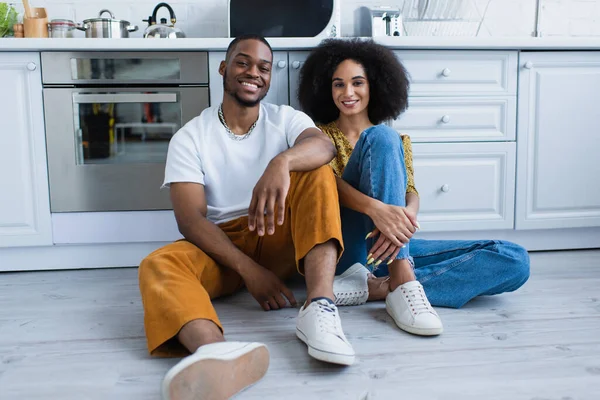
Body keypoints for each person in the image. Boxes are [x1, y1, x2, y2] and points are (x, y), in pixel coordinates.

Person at [138, 34, 355, 400]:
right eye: (242, 62)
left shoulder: (285, 118)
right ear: (223, 68)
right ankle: (215, 352)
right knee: (157, 265)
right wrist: (249, 271)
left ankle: (319, 306)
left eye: (263, 67)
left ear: (269, 77)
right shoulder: (190, 137)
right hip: (220, 245)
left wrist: (281, 161)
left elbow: (324, 146)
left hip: (278, 231)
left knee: (317, 170)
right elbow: (190, 220)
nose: (253, 72)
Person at [298, 38, 530, 337]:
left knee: (515, 259)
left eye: (357, 83)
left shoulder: (397, 140)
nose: (348, 92)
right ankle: (403, 279)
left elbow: (410, 190)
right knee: (381, 136)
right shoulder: (317, 135)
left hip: (388, 242)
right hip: (343, 246)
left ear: (374, 86)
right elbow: (323, 186)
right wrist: (377, 210)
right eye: (338, 84)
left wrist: (405, 215)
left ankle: (379, 289)